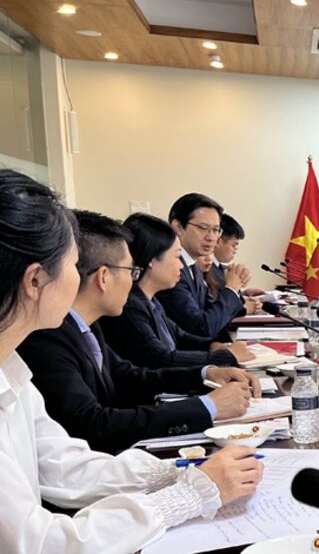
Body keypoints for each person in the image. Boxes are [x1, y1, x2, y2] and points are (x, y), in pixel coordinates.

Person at [0, 169, 262, 551]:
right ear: (36, 280)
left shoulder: (12, 368)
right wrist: (191, 494)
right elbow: (42, 543)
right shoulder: (38, 345)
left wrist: (178, 473)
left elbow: (65, 467)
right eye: (74, 265)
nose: (83, 277)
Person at [19, 210, 260, 454]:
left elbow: (129, 376)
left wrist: (206, 373)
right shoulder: (48, 338)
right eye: (130, 271)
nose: (133, 281)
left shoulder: (85, 326)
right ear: (103, 277)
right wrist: (207, 406)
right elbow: (92, 423)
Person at [101, 213, 257, 370]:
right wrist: (226, 356)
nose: (181, 266)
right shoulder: (130, 305)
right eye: (177, 257)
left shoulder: (151, 300)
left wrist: (213, 346)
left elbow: (180, 336)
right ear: (152, 260)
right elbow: (161, 359)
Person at [157, 193, 249, 337]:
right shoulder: (171, 269)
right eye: (203, 228)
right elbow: (202, 327)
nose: (211, 237)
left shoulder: (193, 265)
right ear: (178, 227)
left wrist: (236, 290)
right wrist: (231, 288)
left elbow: (211, 311)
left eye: (216, 230)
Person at [211, 213, 264, 300]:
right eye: (234, 245)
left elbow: (221, 292)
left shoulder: (220, 267)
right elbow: (215, 301)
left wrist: (243, 293)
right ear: (218, 241)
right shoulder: (206, 268)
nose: (236, 250)